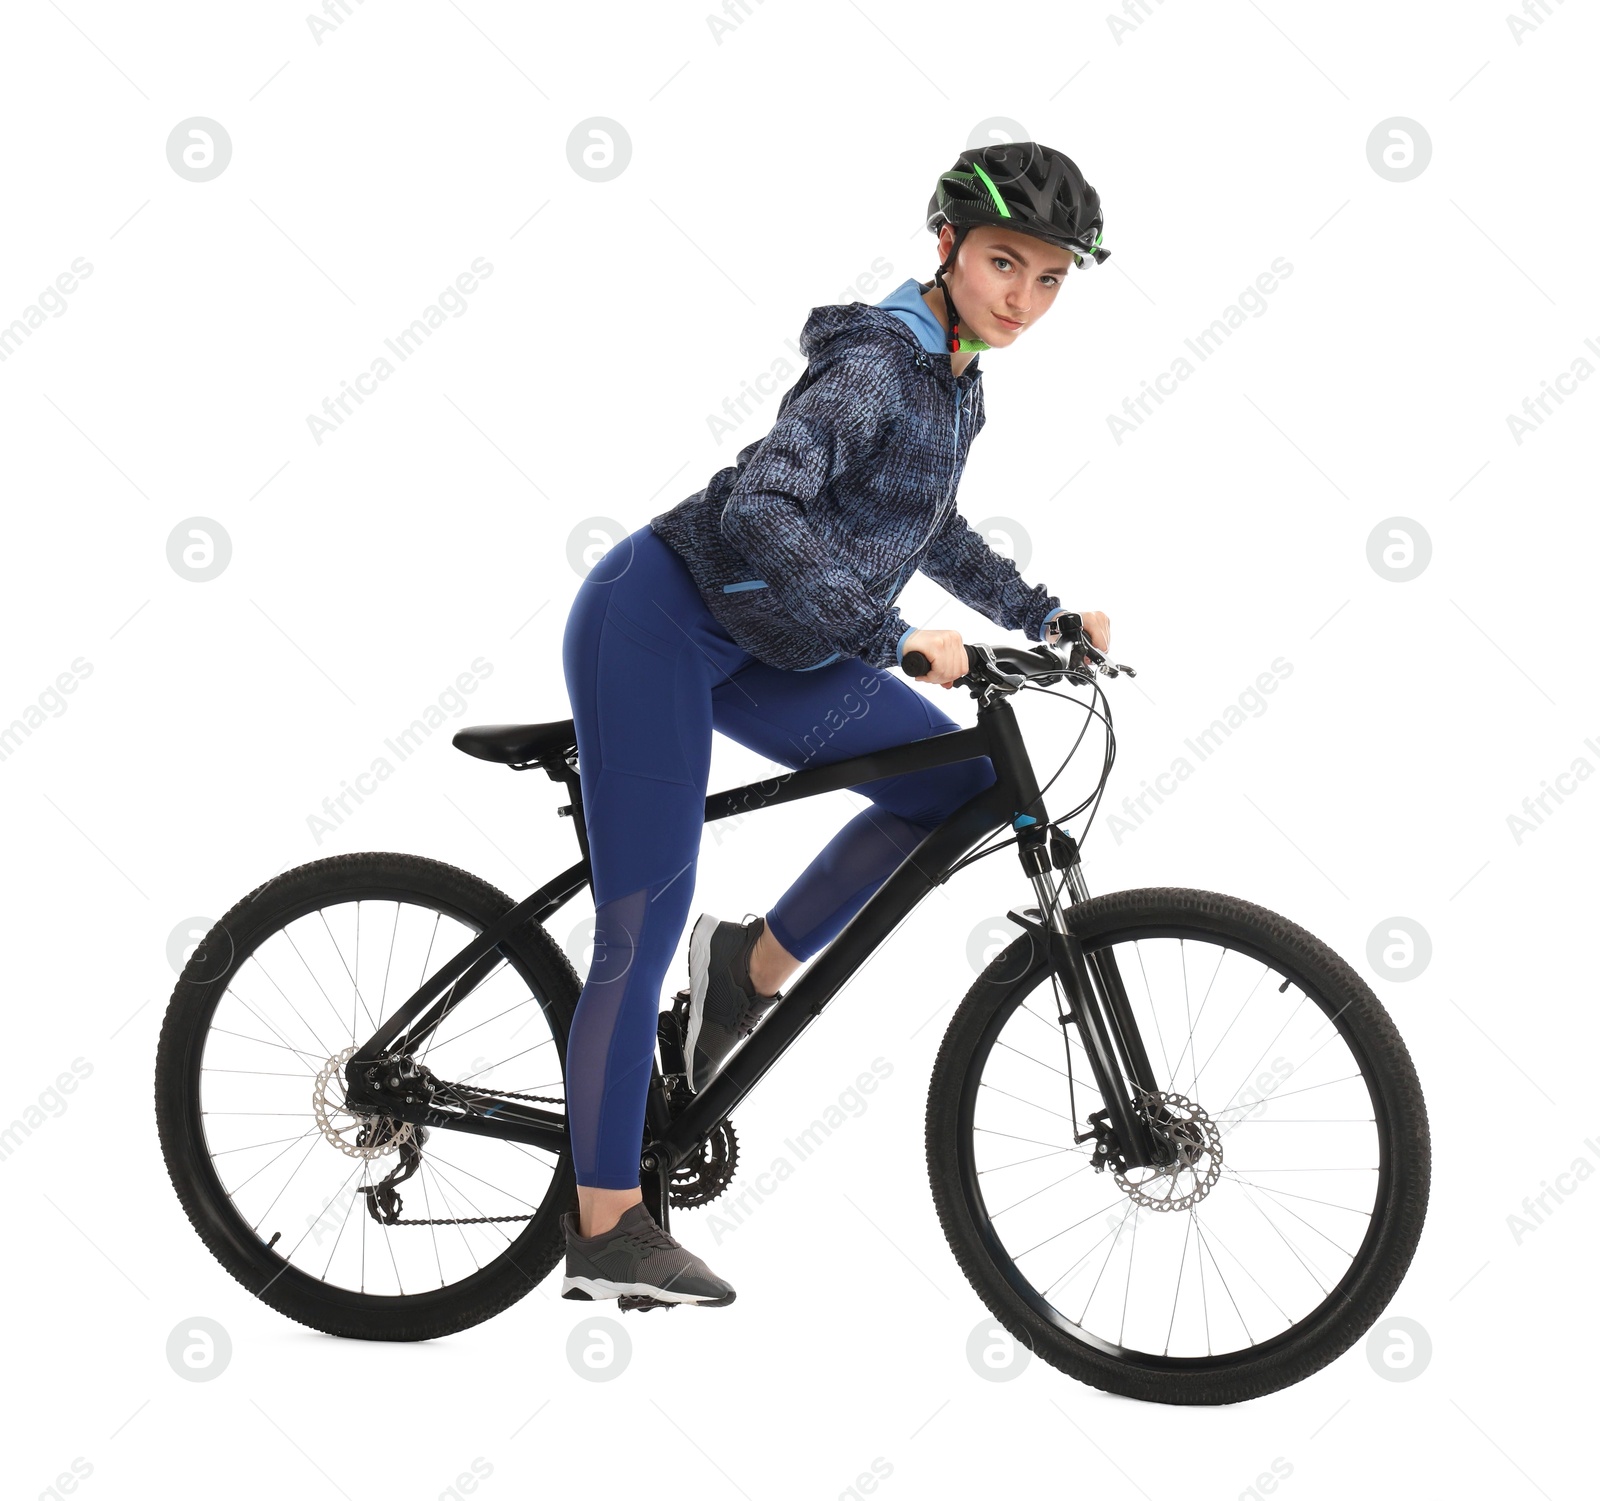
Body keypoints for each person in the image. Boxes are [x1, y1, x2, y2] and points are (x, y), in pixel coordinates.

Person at [558, 141, 1114, 1308]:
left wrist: (1042, 613)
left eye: (1050, 279)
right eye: (1005, 262)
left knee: (954, 785)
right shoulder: (876, 364)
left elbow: (929, 526)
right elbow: (764, 504)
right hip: (656, 621)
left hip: (778, 642)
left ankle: (745, 967)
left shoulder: (957, 375)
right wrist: (894, 639)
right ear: (948, 247)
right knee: (640, 917)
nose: (1024, 296)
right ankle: (606, 1223)